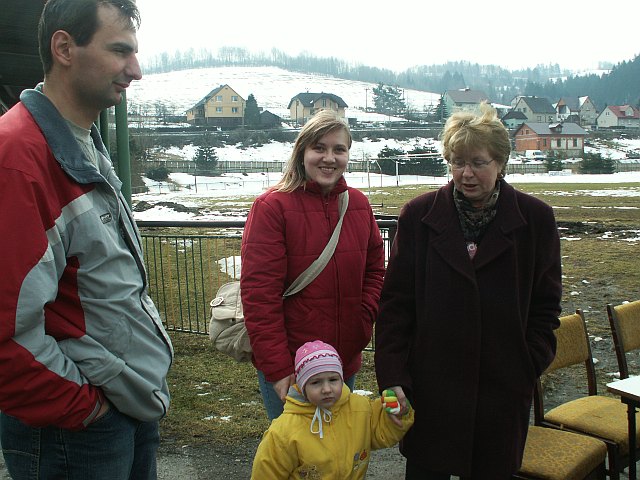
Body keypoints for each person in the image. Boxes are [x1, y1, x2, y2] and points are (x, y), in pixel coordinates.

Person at [0, 1, 173, 479]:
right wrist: (87, 409)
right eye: (119, 51)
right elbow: (6, 331)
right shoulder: (18, 158)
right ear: (64, 48)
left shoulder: (81, 141)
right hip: (75, 428)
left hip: (119, 404)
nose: (135, 70)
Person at [374, 103, 562, 479]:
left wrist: (526, 363)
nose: (466, 173)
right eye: (457, 162)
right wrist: (393, 375)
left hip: (501, 390)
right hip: (432, 389)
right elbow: (396, 305)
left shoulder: (535, 220)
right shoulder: (419, 217)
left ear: (501, 163)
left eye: (478, 162)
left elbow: (545, 305)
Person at [240, 110, 385, 420]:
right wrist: (278, 368)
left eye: (339, 149)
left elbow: (375, 271)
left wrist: (362, 319)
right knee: (294, 449)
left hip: (341, 363)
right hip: (292, 366)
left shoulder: (358, 205)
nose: (329, 158)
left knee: (339, 446)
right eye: (319, 148)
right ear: (302, 152)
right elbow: (260, 296)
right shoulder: (271, 207)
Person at [251, 340, 414, 478]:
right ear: (302, 386)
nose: (327, 389)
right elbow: (266, 472)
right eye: (316, 382)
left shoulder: (360, 409)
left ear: (341, 379)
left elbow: (381, 433)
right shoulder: (283, 432)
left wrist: (398, 412)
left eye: (333, 380)